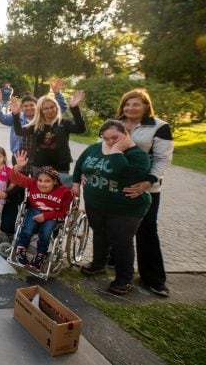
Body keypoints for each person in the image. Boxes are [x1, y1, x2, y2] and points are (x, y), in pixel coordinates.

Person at [73, 120, 151, 295]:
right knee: (100, 234)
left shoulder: (138, 155)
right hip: (96, 204)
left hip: (125, 209)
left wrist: (116, 151)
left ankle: (124, 279)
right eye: (105, 138)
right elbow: (81, 164)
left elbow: (122, 172)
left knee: (121, 242)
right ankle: (98, 264)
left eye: (115, 138)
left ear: (126, 133)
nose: (109, 142)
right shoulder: (95, 148)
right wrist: (77, 182)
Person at [116, 89, 174, 296]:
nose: (130, 108)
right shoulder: (115, 124)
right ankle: (116, 265)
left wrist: (147, 183)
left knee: (147, 230)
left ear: (146, 106)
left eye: (136, 104)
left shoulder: (159, 127)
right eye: (127, 104)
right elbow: (102, 147)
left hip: (146, 188)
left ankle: (154, 278)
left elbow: (162, 159)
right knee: (116, 227)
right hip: (117, 185)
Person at [10, 152, 73, 271]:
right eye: (40, 180)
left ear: (55, 181)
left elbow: (64, 211)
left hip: (53, 214)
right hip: (34, 210)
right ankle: (21, 249)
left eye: (47, 181)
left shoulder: (64, 191)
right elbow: (14, 177)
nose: (42, 184)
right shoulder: (33, 183)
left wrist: (46, 216)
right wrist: (18, 166)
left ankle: (40, 256)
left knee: (45, 234)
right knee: (27, 230)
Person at [11, 88, 87, 186]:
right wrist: (15, 114)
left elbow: (81, 129)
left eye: (52, 107)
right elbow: (19, 131)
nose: (49, 110)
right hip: (39, 167)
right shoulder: (36, 125)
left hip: (60, 168)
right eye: (45, 108)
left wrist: (74, 108)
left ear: (56, 107)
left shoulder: (64, 124)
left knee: (58, 196)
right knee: (39, 195)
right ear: (41, 111)